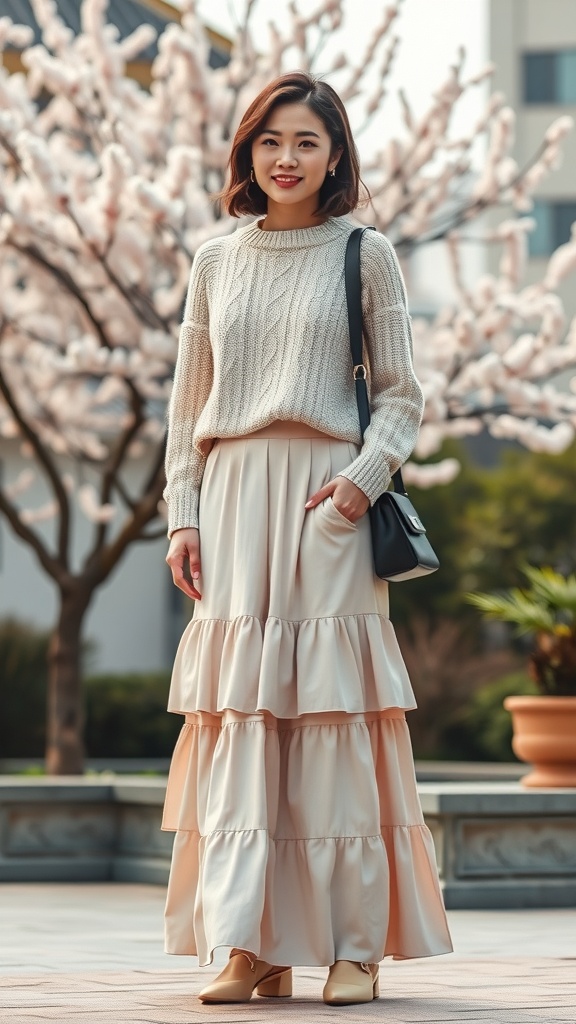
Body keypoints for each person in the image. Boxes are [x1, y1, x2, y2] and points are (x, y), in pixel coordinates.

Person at [161, 69, 453, 1007]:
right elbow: (186, 402)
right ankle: (251, 944)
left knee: (331, 721)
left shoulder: (366, 253)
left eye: (307, 143)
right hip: (235, 494)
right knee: (246, 720)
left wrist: (358, 490)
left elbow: (402, 394)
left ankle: (354, 949)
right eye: (270, 141)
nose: (287, 159)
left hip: (329, 502)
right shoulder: (215, 259)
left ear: (336, 156)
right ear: (247, 150)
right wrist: (182, 510)